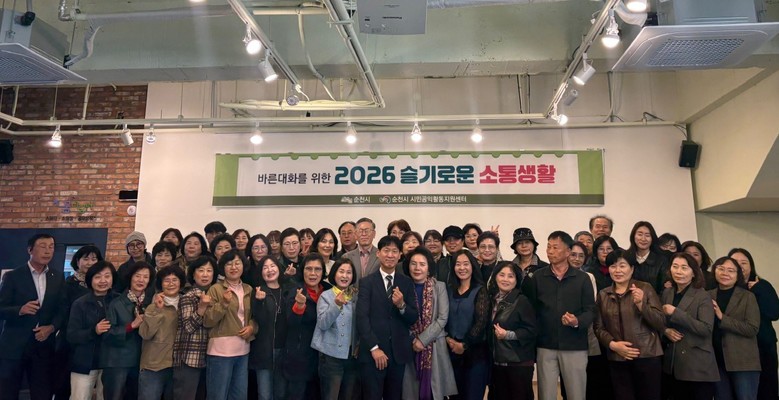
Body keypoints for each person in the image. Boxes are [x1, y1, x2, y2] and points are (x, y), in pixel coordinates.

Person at [522, 231, 595, 400]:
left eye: (555, 247)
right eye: (548, 247)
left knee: (576, 394)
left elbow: (591, 310)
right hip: (545, 345)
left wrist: (577, 321)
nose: (550, 251)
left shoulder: (582, 279)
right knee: (546, 394)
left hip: (574, 345)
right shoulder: (537, 277)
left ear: (568, 251)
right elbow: (530, 311)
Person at [0, 233, 66, 400]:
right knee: (8, 392)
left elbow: (62, 309)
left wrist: (51, 328)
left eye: (51, 247)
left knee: (42, 392)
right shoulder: (13, 276)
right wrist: (20, 310)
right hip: (14, 345)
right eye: (43, 246)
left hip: (43, 346)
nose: (48, 251)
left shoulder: (57, 277)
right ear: (30, 250)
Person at [593, 249, 665, 400]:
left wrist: (641, 305)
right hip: (617, 357)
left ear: (632, 269)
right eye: (613, 266)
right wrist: (613, 345)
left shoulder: (645, 288)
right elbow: (598, 327)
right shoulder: (603, 294)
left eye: (622, 266)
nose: (617, 270)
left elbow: (660, 322)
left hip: (646, 355)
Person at [356, 235, 420, 400]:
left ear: (400, 255)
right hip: (373, 353)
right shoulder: (367, 282)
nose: (390, 255)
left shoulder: (406, 282)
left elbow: (413, 317)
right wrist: (374, 348)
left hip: (398, 354)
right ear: (378, 253)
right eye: (386, 250)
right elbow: (362, 318)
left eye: (394, 251)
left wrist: (402, 305)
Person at [660, 252, 718, 400]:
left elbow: (706, 329)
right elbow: (660, 321)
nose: (678, 271)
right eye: (675, 266)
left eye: (684, 268)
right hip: (673, 364)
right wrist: (665, 331)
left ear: (693, 273)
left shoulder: (702, 295)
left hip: (697, 365)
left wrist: (676, 312)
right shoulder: (667, 293)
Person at [402, 247, 457, 400]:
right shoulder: (403, 287)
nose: (417, 268)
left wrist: (422, 339)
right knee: (411, 392)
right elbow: (399, 318)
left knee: (434, 391)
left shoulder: (439, 287)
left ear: (429, 267)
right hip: (409, 345)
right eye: (413, 263)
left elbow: (442, 318)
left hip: (434, 345)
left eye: (422, 264)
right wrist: (413, 339)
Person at [204, 250, 257, 400]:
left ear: (243, 266)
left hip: (243, 350)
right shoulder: (216, 289)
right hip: (220, 351)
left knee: (239, 395)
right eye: (229, 264)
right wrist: (224, 304)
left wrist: (252, 327)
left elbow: (255, 316)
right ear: (223, 267)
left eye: (237, 263)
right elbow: (207, 320)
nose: (233, 267)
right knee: (217, 395)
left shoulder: (249, 289)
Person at [728, 248, 779, 400]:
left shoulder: (762, 285)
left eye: (744, 262)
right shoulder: (726, 289)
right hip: (737, 350)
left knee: (767, 389)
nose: (740, 266)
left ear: (751, 266)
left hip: (763, 346)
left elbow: (774, 313)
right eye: (735, 262)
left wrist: (758, 289)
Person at [55, 245, 104, 400]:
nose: (90, 262)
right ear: (77, 261)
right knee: (64, 385)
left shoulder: (102, 286)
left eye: (94, 259)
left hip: (94, 345)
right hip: (70, 342)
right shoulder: (68, 284)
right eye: (86, 258)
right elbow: (62, 313)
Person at [709, 256, 761, 400]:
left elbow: (752, 328)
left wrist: (722, 317)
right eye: (721, 269)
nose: (725, 273)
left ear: (738, 275)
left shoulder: (747, 297)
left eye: (731, 270)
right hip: (716, 361)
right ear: (714, 271)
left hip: (743, 362)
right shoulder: (707, 295)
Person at [102, 261, 155, 400]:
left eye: (145, 277)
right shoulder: (116, 303)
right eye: (137, 276)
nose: (141, 280)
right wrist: (131, 326)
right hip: (118, 361)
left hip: (141, 361)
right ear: (130, 277)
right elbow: (107, 334)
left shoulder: (151, 304)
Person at [67, 261, 118, 400]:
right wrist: (94, 331)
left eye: (107, 276)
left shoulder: (119, 301)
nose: (103, 281)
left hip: (111, 362)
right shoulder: (80, 303)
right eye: (97, 277)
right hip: (84, 362)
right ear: (90, 280)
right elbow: (72, 335)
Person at [283, 253, 331, 399]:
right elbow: (291, 322)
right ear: (302, 270)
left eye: (317, 269)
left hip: (323, 357)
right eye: (308, 269)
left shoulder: (329, 290)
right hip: (300, 357)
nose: (313, 273)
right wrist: (299, 305)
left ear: (323, 272)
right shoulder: (295, 290)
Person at [488, 262, 538, 400]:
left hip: (518, 363)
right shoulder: (491, 299)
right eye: (502, 275)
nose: (505, 279)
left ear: (516, 280)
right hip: (497, 363)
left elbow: (532, 330)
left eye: (510, 276)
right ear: (495, 277)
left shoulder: (522, 301)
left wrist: (507, 335)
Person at [568, 242, 610, 400]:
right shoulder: (558, 276)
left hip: (585, 329)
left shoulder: (588, 276)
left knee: (591, 376)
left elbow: (590, 304)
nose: (577, 259)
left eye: (581, 256)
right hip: (565, 332)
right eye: (573, 255)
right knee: (569, 379)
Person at [312, 259, 360, 400]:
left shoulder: (356, 296)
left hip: (351, 356)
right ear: (334, 274)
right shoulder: (326, 296)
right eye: (341, 271)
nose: (345, 276)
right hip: (330, 357)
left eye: (349, 272)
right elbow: (323, 324)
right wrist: (336, 305)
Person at [445, 250, 490, 400]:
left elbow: (481, 322)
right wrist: (448, 339)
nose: (462, 268)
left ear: (473, 266)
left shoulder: (480, 290)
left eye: (466, 264)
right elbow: (443, 317)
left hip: (475, 354)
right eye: (458, 264)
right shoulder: (449, 289)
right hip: (451, 352)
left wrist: (464, 345)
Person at [173, 256, 218, 400]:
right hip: (189, 358)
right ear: (193, 274)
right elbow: (188, 327)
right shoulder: (188, 297)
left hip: (209, 356)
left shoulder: (215, 296)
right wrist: (202, 308)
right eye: (201, 270)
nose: (205, 274)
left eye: (209, 271)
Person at [138, 266, 186, 399]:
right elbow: (145, 334)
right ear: (161, 284)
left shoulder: (187, 304)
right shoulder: (152, 307)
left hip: (178, 365)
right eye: (167, 280)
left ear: (181, 283)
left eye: (174, 280)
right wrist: (157, 311)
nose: (171, 284)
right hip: (154, 365)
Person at [251, 256, 291, 400]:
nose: (269, 270)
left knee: (281, 393)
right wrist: (259, 302)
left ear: (279, 268)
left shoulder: (288, 290)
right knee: (265, 394)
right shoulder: (258, 292)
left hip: (284, 350)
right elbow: (258, 321)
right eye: (265, 267)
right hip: (264, 351)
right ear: (261, 272)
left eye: (272, 266)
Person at [626, 221, 668, 294]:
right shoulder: (626, 257)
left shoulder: (661, 260)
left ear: (652, 238)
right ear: (633, 236)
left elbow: (663, 287)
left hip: (653, 299)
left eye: (647, 235)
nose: (643, 239)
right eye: (640, 234)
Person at [343, 217, 380, 285]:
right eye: (360, 231)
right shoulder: (347, 257)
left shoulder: (381, 255)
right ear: (355, 235)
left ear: (374, 234)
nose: (364, 234)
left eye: (367, 231)